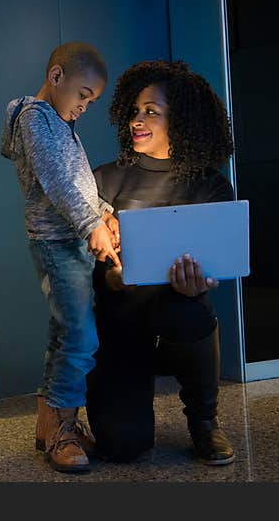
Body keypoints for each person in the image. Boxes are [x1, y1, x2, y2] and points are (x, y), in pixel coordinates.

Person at [86, 60, 237, 466]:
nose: (138, 119)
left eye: (151, 111)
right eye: (135, 111)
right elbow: (84, 266)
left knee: (188, 312)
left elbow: (216, 262)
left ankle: (205, 422)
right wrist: (114, 279)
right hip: (119, 321)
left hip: (177, 316)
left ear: (182, 120)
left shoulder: (210, 185)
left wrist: (199, 283)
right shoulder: (103, 181)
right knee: (122, 448)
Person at [0, 41, 120, 473]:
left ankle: (49, 425)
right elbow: (55, 180)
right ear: (56, 77)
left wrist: (104, 213)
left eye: (91, 101)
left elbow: (78, 181)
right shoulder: (36, 118)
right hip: (57, 242)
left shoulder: (57, 121)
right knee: (81, 339)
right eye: (83, 95)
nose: (85, 106)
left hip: (72, 239)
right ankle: (63, 429)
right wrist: (92, 226)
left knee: (64, 334)